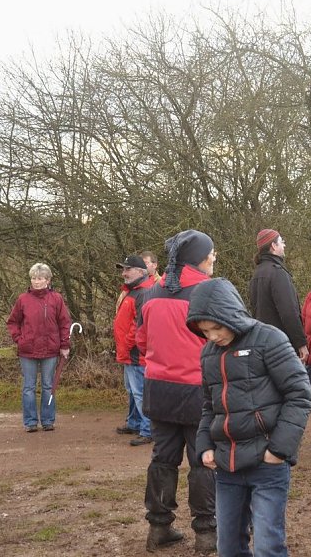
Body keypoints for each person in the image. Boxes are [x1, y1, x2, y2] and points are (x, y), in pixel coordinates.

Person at [188, 278, 311, 557]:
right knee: (228, 548)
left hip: (267, 465)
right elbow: (209, 406)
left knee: (268, 547)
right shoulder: (208, 353)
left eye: (216, 328)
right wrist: (205, 445)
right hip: (227, 468)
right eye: (205, 331)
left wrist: (279, 449)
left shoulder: (270, 339)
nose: (212, 337)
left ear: (230, 314)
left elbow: (300, 395)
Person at [135, 230, 217, 553]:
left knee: (162, 460)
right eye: (211, 253)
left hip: (158, 389)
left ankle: (158, 527)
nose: (214, 257)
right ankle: (207, 533)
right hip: (197, 391)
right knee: (203, 462)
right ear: (199, 258)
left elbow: (141, 342)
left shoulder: (152, 292)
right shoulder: (207, 292)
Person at [7, 263, 72, 432]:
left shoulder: (56, 299)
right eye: (34, 278)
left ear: (48, 280)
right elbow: (13, 322)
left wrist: (65, 345)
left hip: (50, 350)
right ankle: (30, 422)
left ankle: (48, 420)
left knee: (48, 385)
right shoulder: (23, 299)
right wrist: (19, 339)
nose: (36, 282)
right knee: (28, 386)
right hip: (27, 350)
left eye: (40, 278)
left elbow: (64, 323)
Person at [113, 255, 156, 446]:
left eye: (127, 269)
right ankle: (136, 423)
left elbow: (139, 325)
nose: (124, 273)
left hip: (136, 353)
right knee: (132, 391)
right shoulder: (134, 291)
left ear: (140, 271)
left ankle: (148, 430)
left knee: (140, 393)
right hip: (129, 352)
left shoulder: (143, 292)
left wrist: (128, 344)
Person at [249, 229, 308, 363]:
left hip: (262, 343)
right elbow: (289, 312)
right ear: (273, 246)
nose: (284, 245)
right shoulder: (278, 273)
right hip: (282, 345)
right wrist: (301, 343)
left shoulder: (256, 274)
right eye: (281, 242)